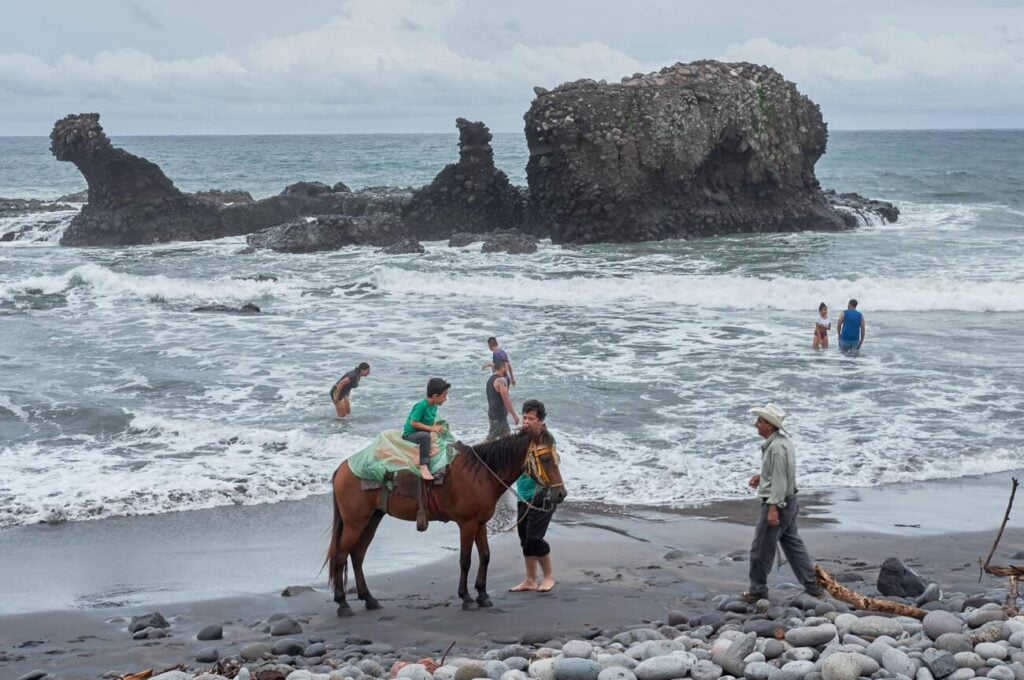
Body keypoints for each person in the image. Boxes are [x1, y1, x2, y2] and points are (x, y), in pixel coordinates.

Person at [742, 403, 824, 602]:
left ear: (770, 425)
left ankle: (757, 590)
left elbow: (779, 480)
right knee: (793, 545)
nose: (756, 425)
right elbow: (782, 474)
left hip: (779, 504)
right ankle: (813, 586)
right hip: (790, 501)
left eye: (760, 421)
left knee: (761, 549)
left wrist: (773, 508)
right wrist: (762, 477)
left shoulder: (776, 448)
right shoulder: (783, 442)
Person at [509, 399, 557, 593]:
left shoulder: (545, 439)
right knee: (524, 538)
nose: (526, 422)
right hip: (523, 495)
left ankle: (548, 577)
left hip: (544, 494)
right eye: (524, 417)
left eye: (531, 419)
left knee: (535, 538)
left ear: (541, 421)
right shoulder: (522, 436)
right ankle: (530, 580)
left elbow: (541, 463)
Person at [402, 377, 451, 480]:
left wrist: (437, 426)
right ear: (434, 396)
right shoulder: (421, 405)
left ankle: (442, 465)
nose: (445, 399)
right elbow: (413, 422)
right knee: (425, 436)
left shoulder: (434, 406)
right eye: (444, 396)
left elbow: (430, 419)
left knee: (442, 431)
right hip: (411, 434)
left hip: (422, 430)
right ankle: (423, 465)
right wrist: (431, 429)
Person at [485, 360, 519, 441]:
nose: (508, 369)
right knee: (490, 440)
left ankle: (507, 453)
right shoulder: (501, 381)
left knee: (507, 440)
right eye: (507, 366)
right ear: (502, 367)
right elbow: (506, 400)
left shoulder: (490, 379)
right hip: (498, 416)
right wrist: (514, 415)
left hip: (497, 415)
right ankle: (474, 451)